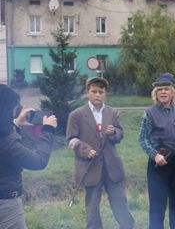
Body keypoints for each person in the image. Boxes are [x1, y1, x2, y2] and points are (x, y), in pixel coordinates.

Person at [66, 77, 134, 229]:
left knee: (120, 203)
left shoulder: (112, 112)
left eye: (101, 92)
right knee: (92, 208)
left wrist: (114, 132)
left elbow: (120, 134)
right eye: (94, 91)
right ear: (87, 93)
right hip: (89, 168)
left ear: (105, 94)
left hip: (112, 168)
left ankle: (127, 226)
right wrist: (85, 149)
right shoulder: (76, 115)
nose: (98, 95)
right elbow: (71, 140)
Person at [139, 73, 175, 229]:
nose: (163, 92)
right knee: (157, 205)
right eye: (160, 89)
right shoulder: (149, 113)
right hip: (158, 163)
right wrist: (154, 155)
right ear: (155, 93)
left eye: (166, 89)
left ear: (173, 92)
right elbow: (142, 139)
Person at [0, 84, 57, 228]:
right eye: (15, 107)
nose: (16, 111)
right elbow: (39, 161)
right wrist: (48, 129)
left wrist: (16, 125)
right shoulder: (5, 142)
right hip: (6, 203)